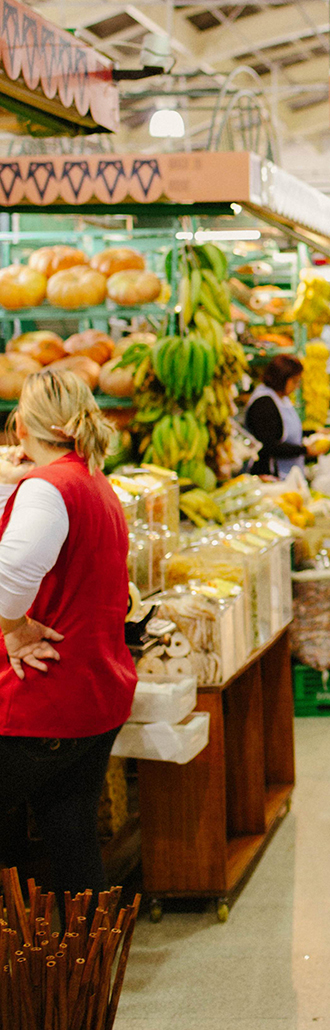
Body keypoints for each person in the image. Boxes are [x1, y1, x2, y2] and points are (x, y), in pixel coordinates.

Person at [0, 369, 137, 921]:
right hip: (92, 695)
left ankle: (28, 967)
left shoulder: (48, 489)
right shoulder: (91, 482)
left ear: (21, 423)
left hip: (42, 704)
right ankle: (82, 972)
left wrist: (15, 628)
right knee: (69, 832)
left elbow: (8, 579)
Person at [243, 354, 329, 478]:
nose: (296, 386)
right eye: (294, 381)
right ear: (282, 379)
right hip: (269, 475)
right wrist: (305, 450)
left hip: (286, 473)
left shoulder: (282, 398)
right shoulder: (264, 404)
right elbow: (270, 445)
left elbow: (284, 431)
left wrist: (313, 432)